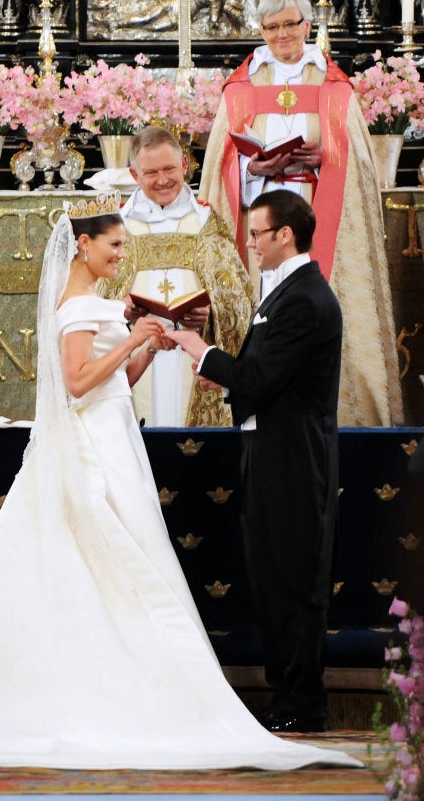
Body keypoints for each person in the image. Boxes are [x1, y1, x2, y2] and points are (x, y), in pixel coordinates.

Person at [0, 193, 359, 770]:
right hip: (90, 444)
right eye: (117, 244)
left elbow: (118, 382)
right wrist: (134, 337)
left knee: (132, 557)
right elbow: (77, 385)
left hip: (120, 434)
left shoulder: (101, 303)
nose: (125, 254)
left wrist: (150, 343)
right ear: (84, 245)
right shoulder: (77, 308)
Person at [168, 189, 342, 734]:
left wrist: (202, 352)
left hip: (293, 457)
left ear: (284, 234)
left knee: (294, 577)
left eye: (257, 234)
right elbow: (261, 372)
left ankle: (302, 703)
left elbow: (264, 378)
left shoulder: (304, 298)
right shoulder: (284, 294)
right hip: (269, 451)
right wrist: (220, 366)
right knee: (272, 574)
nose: (251, 244)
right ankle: (285, 697)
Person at [199, 0, 402, 427]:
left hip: (314, 219)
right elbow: (220, 165)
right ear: (262, 31)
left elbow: (359, 166)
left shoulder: (333, 86)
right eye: (272, 27)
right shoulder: (242, 86)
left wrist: (326, 157)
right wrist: (253, 166)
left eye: (291, 24)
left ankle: (342, 414)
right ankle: (252, 398)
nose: (282, 34)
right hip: (260, 221)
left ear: (308, 26)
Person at [102, 126, 254, 426]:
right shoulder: (115, 227)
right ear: (135, 176)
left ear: (184, 164)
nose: (162, 180)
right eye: (151, 172)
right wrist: (121, 310)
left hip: (192, 356)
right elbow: (91, 299)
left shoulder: (207, 222)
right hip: (138, 353)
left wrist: (209, 315)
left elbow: (239, 300)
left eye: (170, 169)